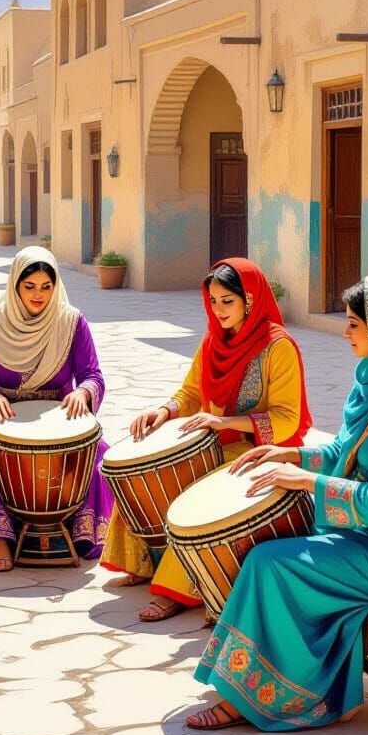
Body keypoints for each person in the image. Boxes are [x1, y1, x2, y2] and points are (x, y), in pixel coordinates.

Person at [185, 273, 368, 730]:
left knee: (272, 561)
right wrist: (292, 454)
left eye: (355, 325)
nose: (346, 334)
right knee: (274, 546)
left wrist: (305, 482)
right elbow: (344, 453)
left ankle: (274, 693)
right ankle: (269, 680)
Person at [102, 258, 312, 621]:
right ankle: (143, 562)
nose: (218, 310)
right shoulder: (213, 342)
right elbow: (190, 393)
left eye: (227, 301)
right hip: (216, 442)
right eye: (213, 301)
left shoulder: (279, 348)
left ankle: (177, 590)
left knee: (195, 493)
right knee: (147, 469)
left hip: (260, 452)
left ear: (250, 299)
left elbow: (286, 418)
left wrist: (224, 420)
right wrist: (165, 411)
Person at [0, 246, 113, 570]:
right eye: (29, 286)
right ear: (15, 285)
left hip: (59, 410)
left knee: (99, 451)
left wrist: (83, 393)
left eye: (46, 286)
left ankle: (80, 531)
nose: (38, 294)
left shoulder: (71, 322)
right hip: (2, 410)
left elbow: (92, 375)